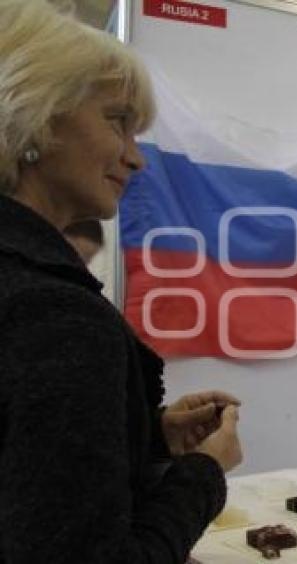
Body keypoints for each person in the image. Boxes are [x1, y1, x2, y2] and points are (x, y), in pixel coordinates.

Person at [0, 1, 243, 561]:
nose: (136, 160)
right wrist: (206, 471)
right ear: (35, 112)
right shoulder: (54, 316)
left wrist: (143, 435)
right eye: (118, 122)